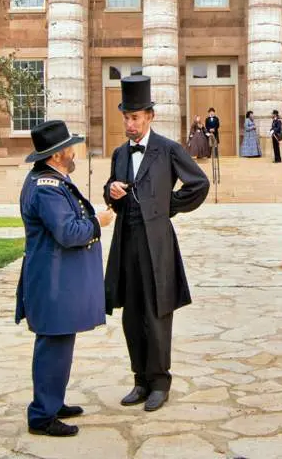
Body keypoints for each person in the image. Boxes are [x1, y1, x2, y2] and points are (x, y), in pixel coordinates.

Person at [104, 75, 210, 412]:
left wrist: (168, 206)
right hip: (127, 241)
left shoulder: (168, 149)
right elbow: (112, 190)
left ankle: (160, 382)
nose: (129, 123)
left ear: (150, 116)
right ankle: (140, 379)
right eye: (125, 116)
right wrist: (112, 191)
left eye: (135, 117)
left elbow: (199, 184)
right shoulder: (120, 153)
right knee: (131, 314)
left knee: (156, 311)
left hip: (158, 243)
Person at [15, 120, 113, 436]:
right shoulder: (46, 188)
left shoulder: (50, 181)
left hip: (56, 280)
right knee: (53, 345)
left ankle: (52, 401)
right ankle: (42, 416)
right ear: (57, 155)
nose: (73, 152)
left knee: (60, 343)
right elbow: (69, 232)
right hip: (52, 282)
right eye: (69, 147)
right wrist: (98, 222)